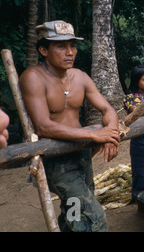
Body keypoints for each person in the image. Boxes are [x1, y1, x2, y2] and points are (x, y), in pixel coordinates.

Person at [19, 20, 120, 232]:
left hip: (81, 155)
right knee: (94, 219)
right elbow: (44, 127)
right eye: (61, 46)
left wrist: (111, 132)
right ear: (44, 50)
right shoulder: (33, 78)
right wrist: (94, 135)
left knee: (73, 212)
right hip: (56, 162)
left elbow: (107, 110)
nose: (70, 52)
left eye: (72, 45)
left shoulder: (80, 77)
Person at [122, 65, 144, 197]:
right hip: (141, 139)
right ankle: (141, 201)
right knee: (143, 169)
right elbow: (134, 110)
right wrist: (142, 109)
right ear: (136, 81)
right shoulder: (130, 97)